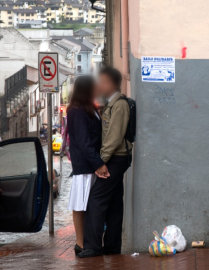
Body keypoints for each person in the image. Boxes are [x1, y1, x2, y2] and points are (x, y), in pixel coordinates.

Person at [79, 67, 132, 258]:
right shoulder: (112, 104)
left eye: (102, 81)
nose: (99, 85)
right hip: (116, 158)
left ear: (110, 84)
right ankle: (112, 246)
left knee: (96, 199)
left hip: (115, 159)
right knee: (115, 202)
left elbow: (114, 137)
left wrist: (101, 162)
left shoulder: (119, 105)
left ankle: (93, 246)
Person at [66, 75, 109, 256]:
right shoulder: (77, 111)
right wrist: (98, 164)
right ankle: (80, 243)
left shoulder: (89, 108)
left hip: (91, 163)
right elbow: (84, 142)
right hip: (85, 165)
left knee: (90, 205)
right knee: (80, 204)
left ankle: (87, 242)